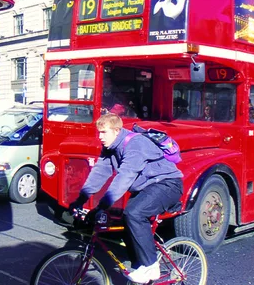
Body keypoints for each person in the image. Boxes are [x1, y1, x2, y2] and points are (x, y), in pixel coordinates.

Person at [69, 114, 183, 284]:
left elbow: (124, 177)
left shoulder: (135, 144)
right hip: (147, 187)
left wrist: (102, 206)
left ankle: (151, 266)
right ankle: (140, 268)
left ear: (116, 131)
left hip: (167, 184)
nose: (99, 137)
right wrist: (81, 199)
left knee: (134, 214)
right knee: (126, 221)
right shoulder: (110, 148)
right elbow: (99, 174)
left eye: (103, 132)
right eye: (98, 132)